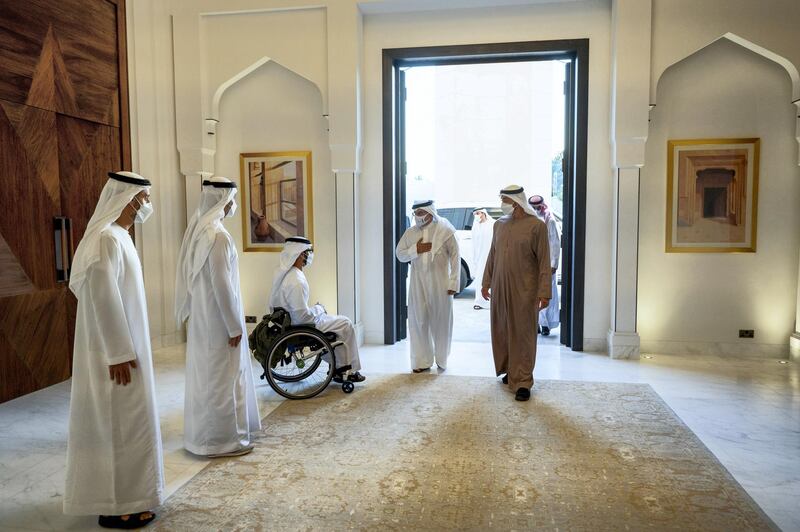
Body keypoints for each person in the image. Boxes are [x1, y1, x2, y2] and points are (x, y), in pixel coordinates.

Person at [64, 171, 163, 529]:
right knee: (121, 423)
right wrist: (119, 353)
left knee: (130, 423)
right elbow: (104, 299)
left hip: (129, 347)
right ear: (129, 198)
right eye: (145, 198)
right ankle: (119, 504)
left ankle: (133, 497)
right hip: (116, 355)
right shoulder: (105, 239)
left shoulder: (120, 237)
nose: (147, 205)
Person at [175, 177, 261, 458]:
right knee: (224, 378)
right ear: (224, 199)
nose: (234, 204)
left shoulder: (202, 231)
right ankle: (223, 441)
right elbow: (222, 285)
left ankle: (203, 438)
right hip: (219, 322)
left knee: (208, 378)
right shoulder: (218, 236)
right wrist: (235, 326)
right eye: (233, 199)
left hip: (204, 319)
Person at [481, 185, 551, 401]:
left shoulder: (536, 226)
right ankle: (511, 371)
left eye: (504, 199)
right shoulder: (499, 226)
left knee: (523, 334)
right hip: (500, 287)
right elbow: (492, 255)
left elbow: (544, 262)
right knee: (502, 330)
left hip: (525, 289)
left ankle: (523, 381)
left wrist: (544, 292)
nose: (501, 203)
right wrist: (486, 283)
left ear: (515, 201)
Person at [269, 237, 365, 383]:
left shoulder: (287, 274)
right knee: (345, 323)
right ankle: (346, 369)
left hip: (293, 322)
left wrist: (317, 309)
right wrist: (319, 309)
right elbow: (303, 317)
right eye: (307, 252)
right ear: (300, 254)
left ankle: (340, 365)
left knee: (339, 323)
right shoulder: (296, 281)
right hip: (301, 326)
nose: (308, 256)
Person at [395, 200, 460, 373]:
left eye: (421, 212)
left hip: (441, 283)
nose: (418, 216)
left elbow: (455, 258)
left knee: (441, 321)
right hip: (418, 283)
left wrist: (454, 282)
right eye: (415, 213)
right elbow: (400, 254)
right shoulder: (410, 233)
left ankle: (442, 359)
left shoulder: (446, 230)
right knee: (419, 320)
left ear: (430, 212)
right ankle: (421, 361)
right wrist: (416, 249)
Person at [529, 195, 561, 336]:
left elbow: (555, 243)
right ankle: (535, 323)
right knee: (533, 294)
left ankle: (545, 325)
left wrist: (554, 264)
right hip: (532, 263)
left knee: (547, 294)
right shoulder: (529, 218)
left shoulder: (550, 219)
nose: (536, 210)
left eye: (538, 207)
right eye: (533, 207)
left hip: (547, 264)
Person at [471, 208, 495, 310]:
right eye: (475, 214)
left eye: (478, 213)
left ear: (483, 213)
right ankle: (479, 302)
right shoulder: (475, 226)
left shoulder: (493, 224)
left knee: (493, 278)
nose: (476, 215)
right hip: (480, 258)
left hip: (491, 255)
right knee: (480, 278)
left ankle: (493, 302)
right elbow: (474, 243)